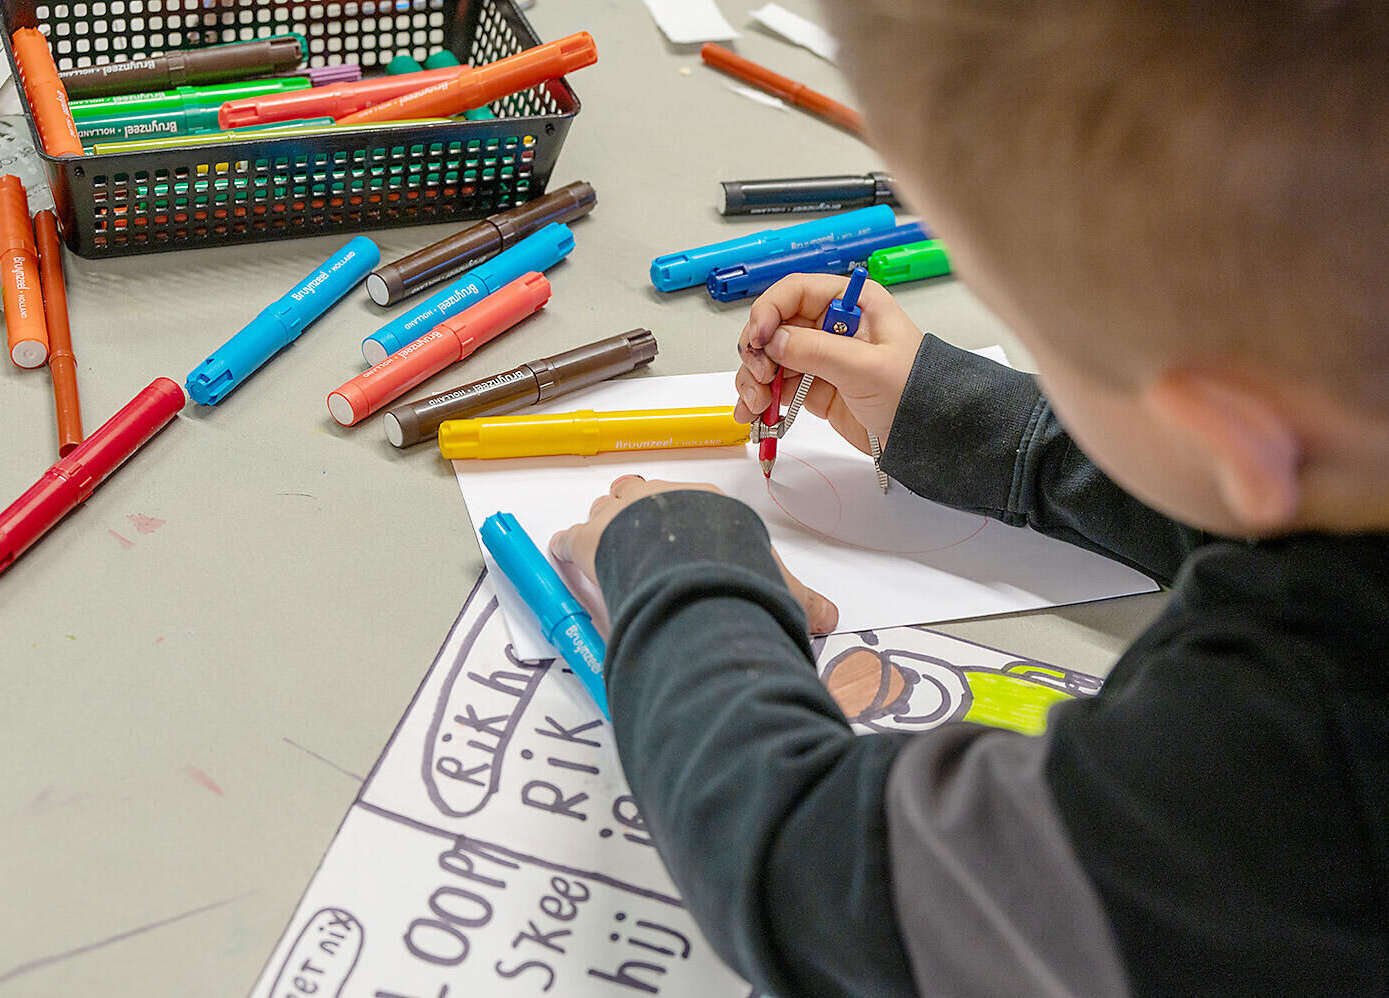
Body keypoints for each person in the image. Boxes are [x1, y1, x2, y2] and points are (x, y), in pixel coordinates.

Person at [548, 1, 1389, 995]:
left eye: (1040, 338)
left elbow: (807, 870)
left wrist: (681, 564)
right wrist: (977, 422)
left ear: (1224, 428)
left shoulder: (1274, 776)